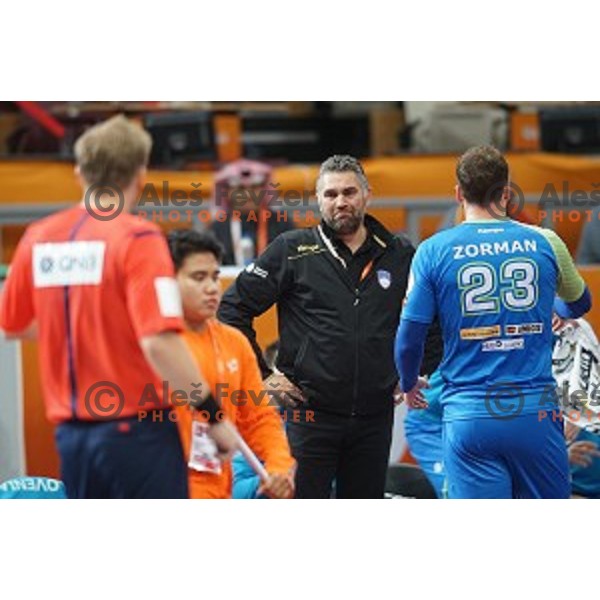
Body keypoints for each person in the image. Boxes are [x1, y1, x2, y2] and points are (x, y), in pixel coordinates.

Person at [0, 115, 236, 499]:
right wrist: (212, 414)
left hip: (72, 438)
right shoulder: (138, 237)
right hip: (136, 433)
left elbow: (12, 326)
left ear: (79, 173)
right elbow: (159, 342)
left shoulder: (37, 238)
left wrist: (86, 327)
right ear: (141, 174)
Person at [219, 154, 442, 499]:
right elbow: (232, 310)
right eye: (331, 194)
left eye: (349, 192)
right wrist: (263, 375)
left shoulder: (399, 253)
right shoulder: (291, 250)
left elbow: (433, 319)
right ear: (318, 200)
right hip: (309, 417)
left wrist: (412, 372)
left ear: (367, 194)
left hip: (374, 418)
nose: (341, 202)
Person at [396, 145, 592, 499]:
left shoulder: (433, 250)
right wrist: (557, 311)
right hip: (535, 412)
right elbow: (581, 302)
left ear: (458, 194)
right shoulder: (544, 240)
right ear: (506, 193)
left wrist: (409, 382)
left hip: (469, 413)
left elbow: (409, 336)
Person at [167, 229, 295, 499]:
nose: (212, 287)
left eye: (214, 276)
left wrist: (279, 466)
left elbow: (258, 416)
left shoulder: (233, 342)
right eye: (198, 277)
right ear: (168, 281)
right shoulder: (148, 344)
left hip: (216, 487)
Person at [208, 159, 294, 266]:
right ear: (227, 193)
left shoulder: (282, 223)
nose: (248, 195)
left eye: (254, 188)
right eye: (240, 188)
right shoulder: (218, 228)